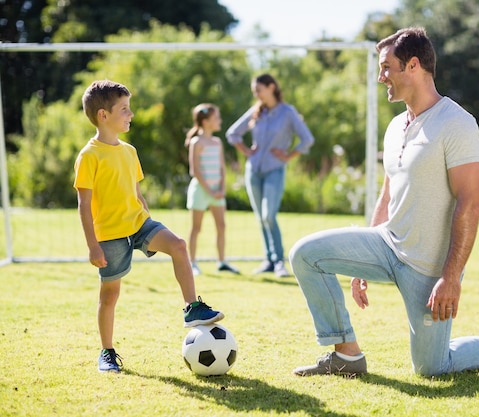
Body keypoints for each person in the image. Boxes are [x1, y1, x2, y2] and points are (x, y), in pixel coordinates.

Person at [289, 27, 479, 376]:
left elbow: (470, 203)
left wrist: (450, 278)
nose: (380, 77)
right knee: (305, 254)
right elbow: (388, 195)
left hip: (428, 266)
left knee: (432, 367)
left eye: (387, 67)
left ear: (414, 65)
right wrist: (359, 268)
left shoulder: (457, 124)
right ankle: (346, 355)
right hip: (386, 244)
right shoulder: (395, 128)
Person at [74, 80, 224, 373]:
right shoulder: (89, 156)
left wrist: (148, 217)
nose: (131, 114)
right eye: (125, 109)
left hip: (139, 224)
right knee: (110, 295)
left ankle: (192, 307)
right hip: (110, 235)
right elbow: (83, 204)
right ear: (103, 115)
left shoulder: (129, 151)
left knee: (179, 245)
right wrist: (92, 244)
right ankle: (107, 352)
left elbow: (136, 192)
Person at [226, 74, 314, 278]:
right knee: (260, 217)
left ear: (271, 87)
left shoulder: (288, 112)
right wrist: (247, 151)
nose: (256, 94)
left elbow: (307, 139)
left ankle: (279, 262)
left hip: (275, 170)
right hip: (253, 171)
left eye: (258, 90)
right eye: (254, 91)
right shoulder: (257, 111)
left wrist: (288, 155)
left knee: (268, 215)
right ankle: (268, 260)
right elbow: (232, 133)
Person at [185, 103, 240, 276]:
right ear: (206, 121)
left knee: (221, 226)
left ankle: (222, 261)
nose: (219, 121)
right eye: (216, 118)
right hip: (201, 191)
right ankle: (192, 263)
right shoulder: (197, 142)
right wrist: (209, 190)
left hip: (217, 191)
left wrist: (221, 188)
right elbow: (195, 170)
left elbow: (222, 168)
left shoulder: (217, 142)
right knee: (196, 228)